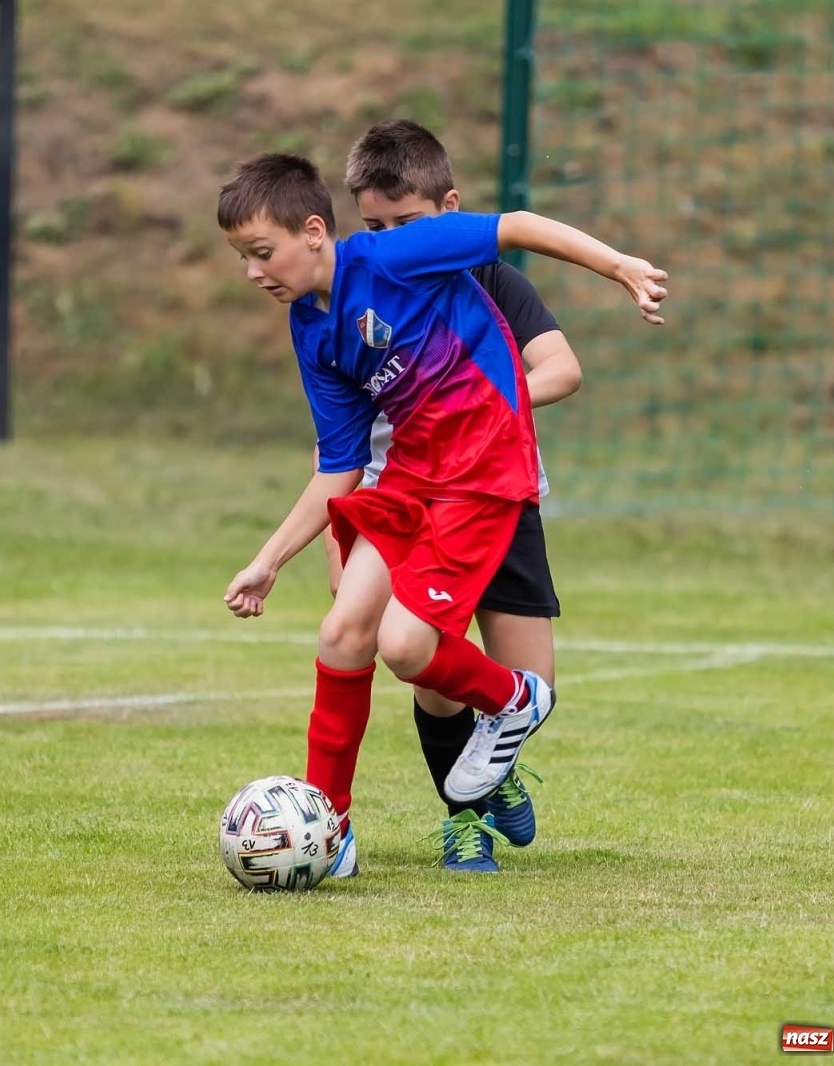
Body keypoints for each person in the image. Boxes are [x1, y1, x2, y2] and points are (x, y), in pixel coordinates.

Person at [217, 154, 666, 880]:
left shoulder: (393, 254)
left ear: (312, 232)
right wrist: (270, 560)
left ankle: (516, 699)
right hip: (412, 477)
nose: (252, 273)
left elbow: (516, 227)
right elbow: (338, 463)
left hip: (485, 473)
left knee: (403, 647)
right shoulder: (311, 327)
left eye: (261, 253)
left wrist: (617, 267)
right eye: (242, 259)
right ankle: (330, 828)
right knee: (341, 634)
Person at [322, 120, 584, 873]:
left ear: (450, 209)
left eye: (405, 224)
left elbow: (561, 369)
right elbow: (336, 437)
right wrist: (342, 538)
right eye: (373, 226)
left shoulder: (493, 280)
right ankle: (461, 819)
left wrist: (476, 411)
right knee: (426, 661)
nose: (389, 240)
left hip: (500, 496)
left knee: (532, 688)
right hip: (404, 502)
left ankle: (492, 777)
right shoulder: (358, 295)